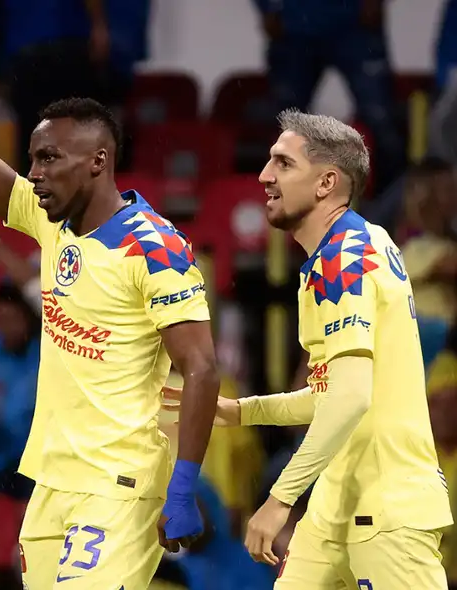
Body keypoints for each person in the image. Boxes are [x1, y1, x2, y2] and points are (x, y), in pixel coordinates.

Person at [0, 6, 221, 589]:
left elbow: (202, 366)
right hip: (52, 479)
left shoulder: (154, 247)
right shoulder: (50, 219)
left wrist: (183, 485)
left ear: (98, 162)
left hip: (121, 485)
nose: (33, 173)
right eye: (32, 158)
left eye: (49, 158)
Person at [173, 109, 453, 588]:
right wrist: (240, 411)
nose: (264, 176)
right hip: (336, 503)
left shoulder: (345, 257)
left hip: (385, 503)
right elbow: (329, 393)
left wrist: (279, 499)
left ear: (326, 182)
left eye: (283, 164)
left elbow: (350, 398)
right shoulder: (352, 248)